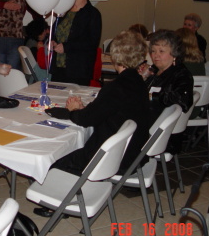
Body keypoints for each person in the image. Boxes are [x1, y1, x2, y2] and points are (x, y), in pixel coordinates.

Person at [34, 31, 150, 217]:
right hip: (133, 152)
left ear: (115, 55)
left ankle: (60, 206)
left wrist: (72, 111)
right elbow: (105, 111)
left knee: (54, 161)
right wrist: (84, 109)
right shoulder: (138, 83)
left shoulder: (117, 87)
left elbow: (87, 119)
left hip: (112, 158)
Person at [145, 29, 194, 154]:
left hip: (162, 135)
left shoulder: (181, 74)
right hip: (150, 124)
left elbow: (182, 100)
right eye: (153, 51)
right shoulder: (156, 71)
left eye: (161, 51)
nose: (155, 55)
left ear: (174, 53)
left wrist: (151, 95)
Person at [51, 0, 102, 85]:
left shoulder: (92, 14)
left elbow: (92, 42)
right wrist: (52, 41)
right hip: (59, 65)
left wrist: (67, 47)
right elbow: (55, 30)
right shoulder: (64, 9)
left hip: (78, 68)